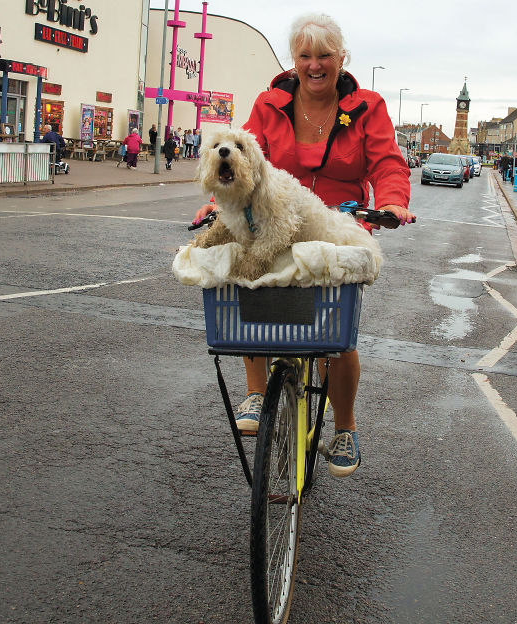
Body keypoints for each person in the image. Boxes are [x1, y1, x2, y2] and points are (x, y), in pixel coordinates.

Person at [192, 13, 414, 477]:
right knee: (247, 282)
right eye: (305, 56)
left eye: (324, 55)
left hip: (337, 223)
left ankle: (345, 428)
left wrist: (391, 202)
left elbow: (388, 164)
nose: (315, 65)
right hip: (273, 217)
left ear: (341, 58)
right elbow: (239, 164)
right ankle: (257, 393)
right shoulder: (270, 105)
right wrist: (217, 207)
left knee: (336, 333)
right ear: (294, 61)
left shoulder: (367, 106)